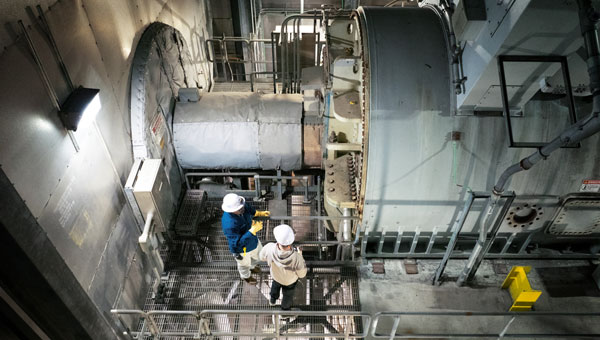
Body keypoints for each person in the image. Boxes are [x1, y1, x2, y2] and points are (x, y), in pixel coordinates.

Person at [221, 193, 270, 285]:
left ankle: (253, 267)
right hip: (242, 250)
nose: (242, 209)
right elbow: (237, 244)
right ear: (232, 210)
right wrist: (252, 231)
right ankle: (246, 277)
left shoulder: (241, 206)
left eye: (242, 206)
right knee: (244, 264)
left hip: (253, 240)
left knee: (258, 255)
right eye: (239, 209)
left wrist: (257, 213)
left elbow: (247, 208)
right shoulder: (229, 224)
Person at [259, 224, 307, 310]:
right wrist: (300, 254)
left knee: (274, 288)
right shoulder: (297, 258)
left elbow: (261, 257)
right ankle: (285, 310)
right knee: (288, 295)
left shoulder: (269, 248)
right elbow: (302, 274)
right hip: (290, 281)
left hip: (276, 277)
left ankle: (272, 300)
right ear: (290, 243)